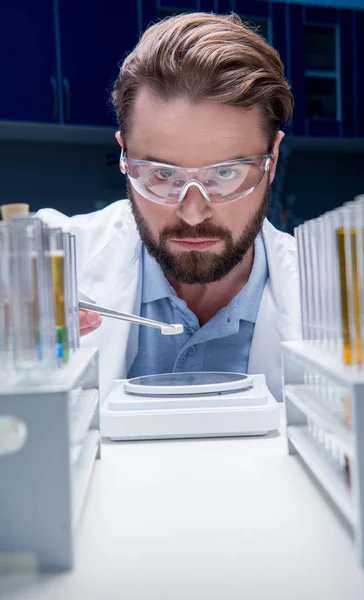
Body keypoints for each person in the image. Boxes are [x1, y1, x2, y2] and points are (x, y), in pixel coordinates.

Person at [38, 12, 301, 401]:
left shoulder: (330, 297)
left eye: (226, 174)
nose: (193, 214)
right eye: (162, 175)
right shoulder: (53, 263)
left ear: (272, 160)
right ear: (125, 157)